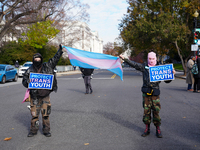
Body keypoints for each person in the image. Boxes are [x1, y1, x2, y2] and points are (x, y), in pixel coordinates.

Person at [119, 52, 175, 138]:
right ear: (148, 59)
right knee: (146, 111)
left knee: (156, 111)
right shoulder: (144, 67)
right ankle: (147, 128)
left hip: (155, 93)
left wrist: (171, 74)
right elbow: (134, 64)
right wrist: (124, 59)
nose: (151, 60)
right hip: (146, 93)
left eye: (153, 59)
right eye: (150, 59)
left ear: (155, 59)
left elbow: (167, 80)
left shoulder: (160, 68)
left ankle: (158, 129)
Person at [22, 44, 64, 137]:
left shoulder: (47, 66)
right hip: (34, 96)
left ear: (41, 59)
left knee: (46, 115)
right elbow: (24, 81)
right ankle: (33, 130)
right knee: (35, 115)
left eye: (39, 59)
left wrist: (60, 50)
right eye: (35, 59)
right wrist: (27, 81)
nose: (37, 60)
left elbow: (55, 59)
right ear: (33, 60)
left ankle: (46, 130)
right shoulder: (29, 70)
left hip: (45, 96)